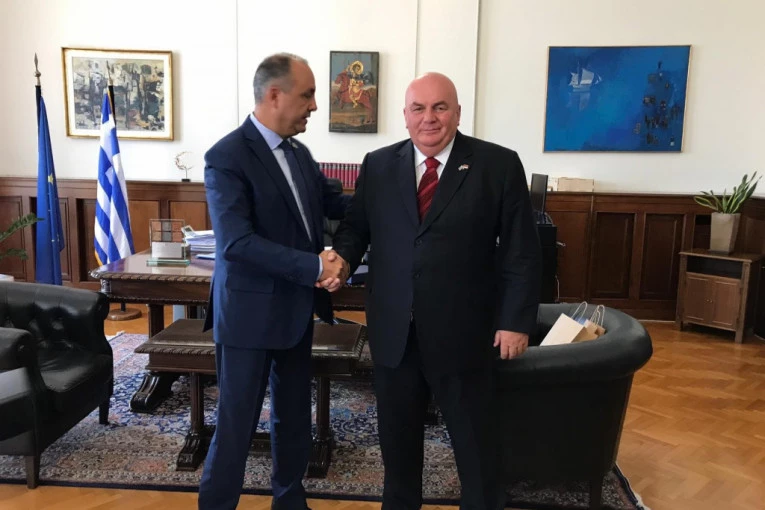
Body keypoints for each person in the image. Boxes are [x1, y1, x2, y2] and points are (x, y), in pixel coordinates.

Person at [324, 72, 542, 509]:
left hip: (466, 334)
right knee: (398, 450)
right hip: (394, 334)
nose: (429, 118)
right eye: (419, 109)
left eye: (440, 107)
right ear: (404, 116)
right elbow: (356, 229)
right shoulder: (378, 164)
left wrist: (515, 322)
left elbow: (522, 251)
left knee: (476, 450)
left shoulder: (498, 165)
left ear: (458, 113)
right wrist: (342, 259)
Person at [198, 53, 350, 510]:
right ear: (275, 95)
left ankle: (289, 501)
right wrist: (315, 267)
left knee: (294, 418)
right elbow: (237, 243)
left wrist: (398, 190)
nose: (315, 106)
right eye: (308, 95)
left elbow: (336, 205)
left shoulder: (299, 154)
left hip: (295, 312)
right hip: (247, 316)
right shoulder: (226, 156)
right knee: (236, 424)